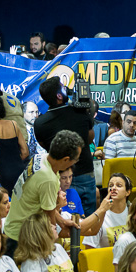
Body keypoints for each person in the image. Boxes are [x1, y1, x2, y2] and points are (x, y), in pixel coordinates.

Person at [5, 130, 83, 255]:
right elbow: (48, 215)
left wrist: (62, 222)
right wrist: (53, 244)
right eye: (76, 160)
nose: (75, 162)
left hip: (13, 228)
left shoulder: (41, 157)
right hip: (21, 238)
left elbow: (48, 207)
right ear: (66, 159)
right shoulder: (48, 179)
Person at [33, 76, 97, 215]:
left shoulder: (40, 123)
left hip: (61, 176)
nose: (67, 89)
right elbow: (90, 137)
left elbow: (45, 146)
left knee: (65, 219)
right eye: (63, 86)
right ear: (59, 95)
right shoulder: (79, 113)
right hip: (84, 173)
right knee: (89, 218)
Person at [15, 212, 97, 272]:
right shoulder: (31, 259)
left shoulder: (58, 248)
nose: (54, 226)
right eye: (49, 225)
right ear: (41, 233)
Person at [82, 172, 130, 249]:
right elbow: (89, 251)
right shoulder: (100, 215)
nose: (113, 188)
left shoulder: (134, 213)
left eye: (119, 185)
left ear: (127, 192)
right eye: (111, 185)